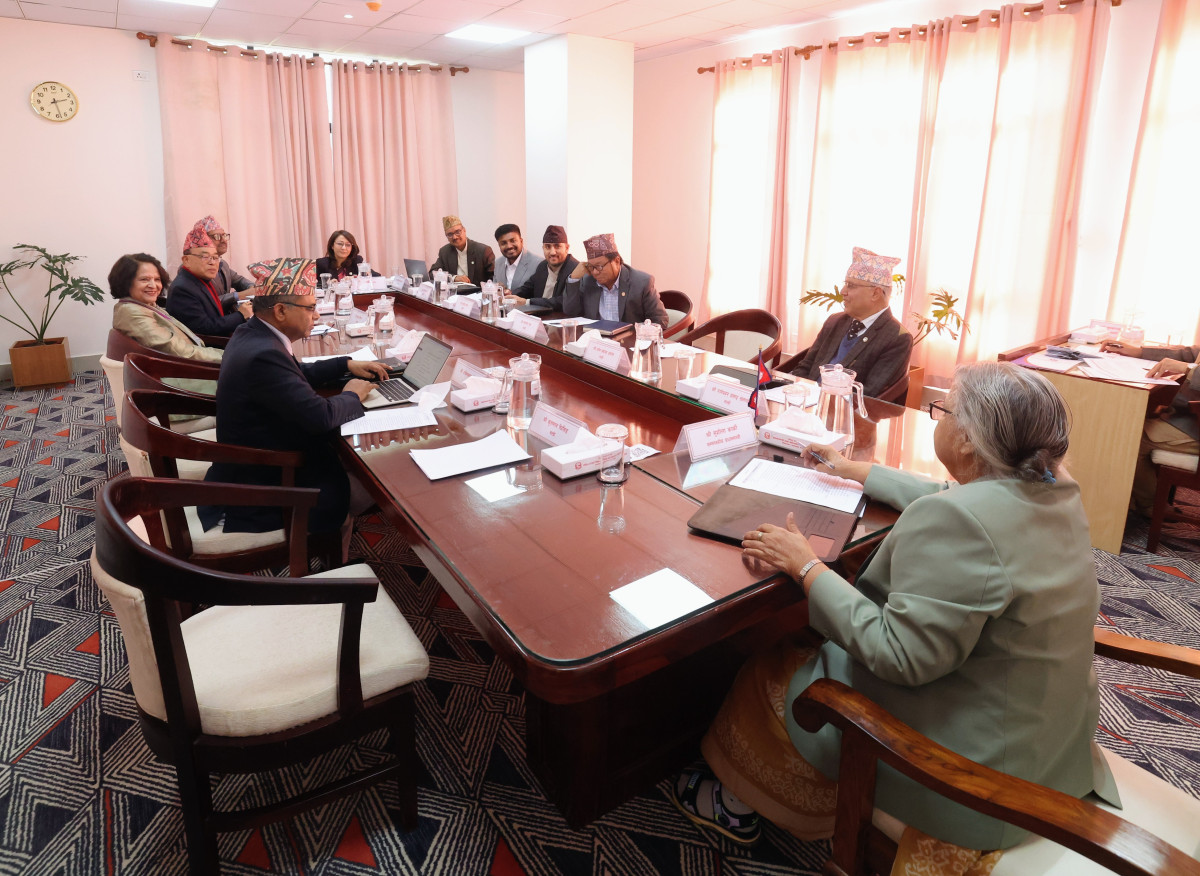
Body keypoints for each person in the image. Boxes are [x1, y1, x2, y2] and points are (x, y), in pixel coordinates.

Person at [673, 362, 1117, 871]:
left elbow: (899, 656)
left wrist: (806, 567)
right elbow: (953, 499)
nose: (939, 418)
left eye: (944, 410)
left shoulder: (964, 523)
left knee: (771, 669)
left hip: (980, 781)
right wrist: (853, 471)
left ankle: (740, 802)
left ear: (968, 440)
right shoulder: (1052, 488)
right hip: (1051, 744)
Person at [198, 257, 389, 536]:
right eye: (310, 308)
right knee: (382, 477)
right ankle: (328, 543)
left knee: (354, 459)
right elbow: (321, 417)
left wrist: (345, 364)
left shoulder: (251, 332)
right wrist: (352, 394)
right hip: (268, 489)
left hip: (256, 464)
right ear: (280, 311)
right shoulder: (264, 354)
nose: (317, 316)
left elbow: (294, 372)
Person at [789, 247, 912, 399]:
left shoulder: (897, 338)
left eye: (851, 286)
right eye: (845, 284)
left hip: (844, 410)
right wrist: (796, 394)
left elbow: (870, 394)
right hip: (805, 402)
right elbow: (805, 367)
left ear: (875, 293)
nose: (843, 291)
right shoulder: (835, 321)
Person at [1105, 338, 1200, 513]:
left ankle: (1151, 505)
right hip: (1188, 415)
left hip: (1194, 423)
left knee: (1132, 438)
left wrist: (1188, 368)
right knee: (1134, 421)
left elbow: (1189, 363)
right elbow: (1189, 354)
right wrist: (1140, 351)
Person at [108, 253, 222, 365]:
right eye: (144, 279)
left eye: (157, 279)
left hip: (190, 362)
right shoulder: (131, 312)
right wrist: (226, 358)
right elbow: (176, 351)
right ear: (125, 282)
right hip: (183, 371)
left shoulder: (144, 305)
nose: (153, 285)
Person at [563, 233, 668, 329]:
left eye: (599, 266)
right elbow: (571, 312)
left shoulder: (641, 282)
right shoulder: (588, 280)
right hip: (595, 339)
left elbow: (660, 320)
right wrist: (574, 278)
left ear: (617, 261)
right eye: (591, 267)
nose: (595, 272)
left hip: (628, 341)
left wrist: (635, 332)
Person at [166, 224, 253, 338]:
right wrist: (240, 315)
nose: (212, 263)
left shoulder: (200, 279)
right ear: (186, 260)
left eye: (215, 257)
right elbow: (205, 328)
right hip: (210, 344)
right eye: (205, 257)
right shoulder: (182, 289)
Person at [506, 225, 579, 310]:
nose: (552, 252)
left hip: (561, 317)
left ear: (567, 248)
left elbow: (563, 301)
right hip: (539, 314)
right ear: (543, 248)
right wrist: (508, 295)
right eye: (548, 247)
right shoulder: (543, 265)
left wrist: (527, 302)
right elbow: (527, 288)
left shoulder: (575, 269)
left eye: (557, 246)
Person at [195, 215, 252, 300]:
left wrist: (252, 288)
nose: (224, 240)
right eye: (217, 236)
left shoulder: (223, 264)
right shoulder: (195, 268)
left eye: (224, 235)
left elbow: (239, 281)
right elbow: (207, 302)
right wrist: (238, 295)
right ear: (203, 240)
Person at [430, 215, 495, 285]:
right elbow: (432, 273)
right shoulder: (445, 251)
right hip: (454, 291)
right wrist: (453, 278)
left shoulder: (483, 251)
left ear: (464, 230)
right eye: (450, 234)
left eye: (457, 232)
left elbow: (494, 278)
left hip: (477, 291)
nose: (454, 237)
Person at [493, 223, 542, 292]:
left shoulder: (538, 263)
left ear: (521, 241)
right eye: (503, 243)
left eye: (513, 241)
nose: (509, 246)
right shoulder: (497, 263)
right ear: (499, 245)